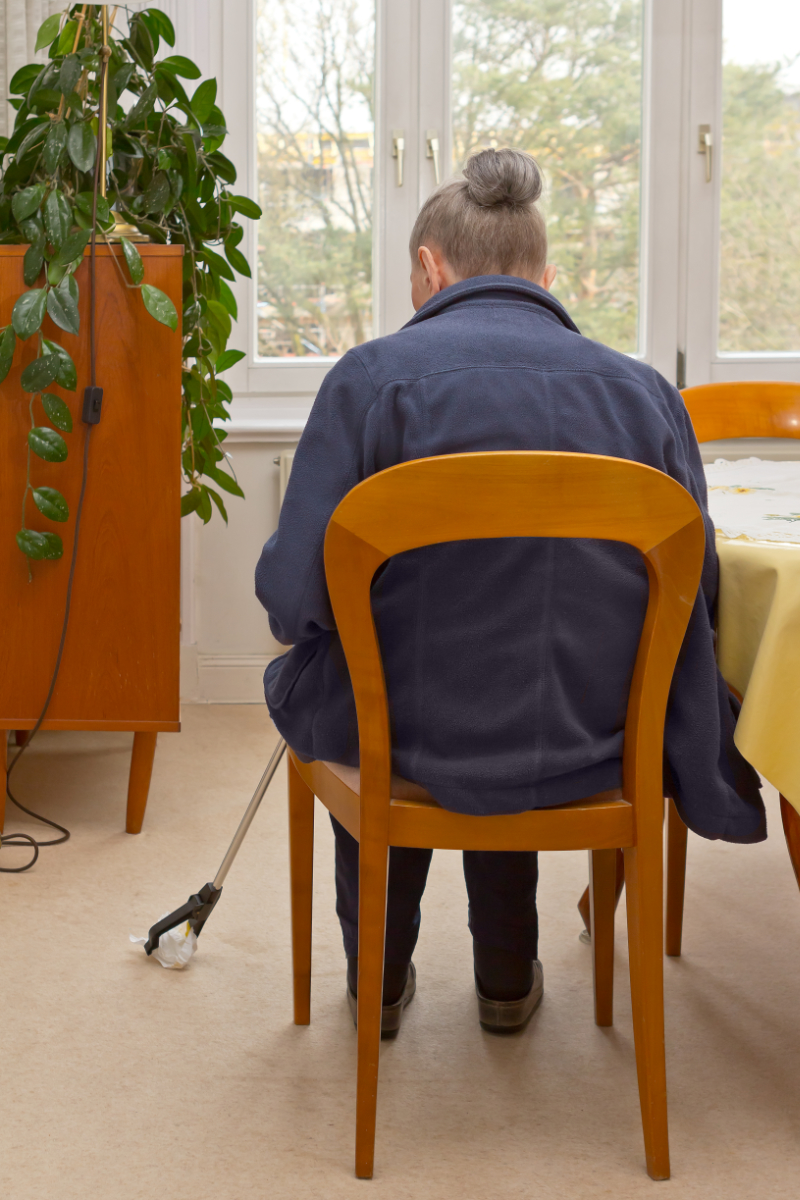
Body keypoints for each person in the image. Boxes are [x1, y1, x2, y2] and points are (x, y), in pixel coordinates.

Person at [255, 148, 765, 1038]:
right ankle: (504, 977)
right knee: (520, 679)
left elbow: (292, 597)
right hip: (588, 736)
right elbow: (695, 595)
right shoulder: (648, 397)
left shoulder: (371, 382)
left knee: (376, 691)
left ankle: (378, 982)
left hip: (403, 732)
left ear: (430, 268)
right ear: (546, 277)